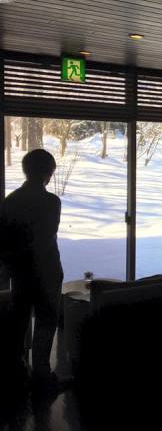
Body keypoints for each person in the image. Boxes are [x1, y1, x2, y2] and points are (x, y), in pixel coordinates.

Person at [0, 150, 65, 390]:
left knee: (19, 320)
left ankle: (17, 372)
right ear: (48, 172)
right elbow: (47, 236)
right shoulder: (51, 202)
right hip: (47, 271)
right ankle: (42, 374)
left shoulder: (10, 201)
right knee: (46, 321)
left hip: (20, 272)